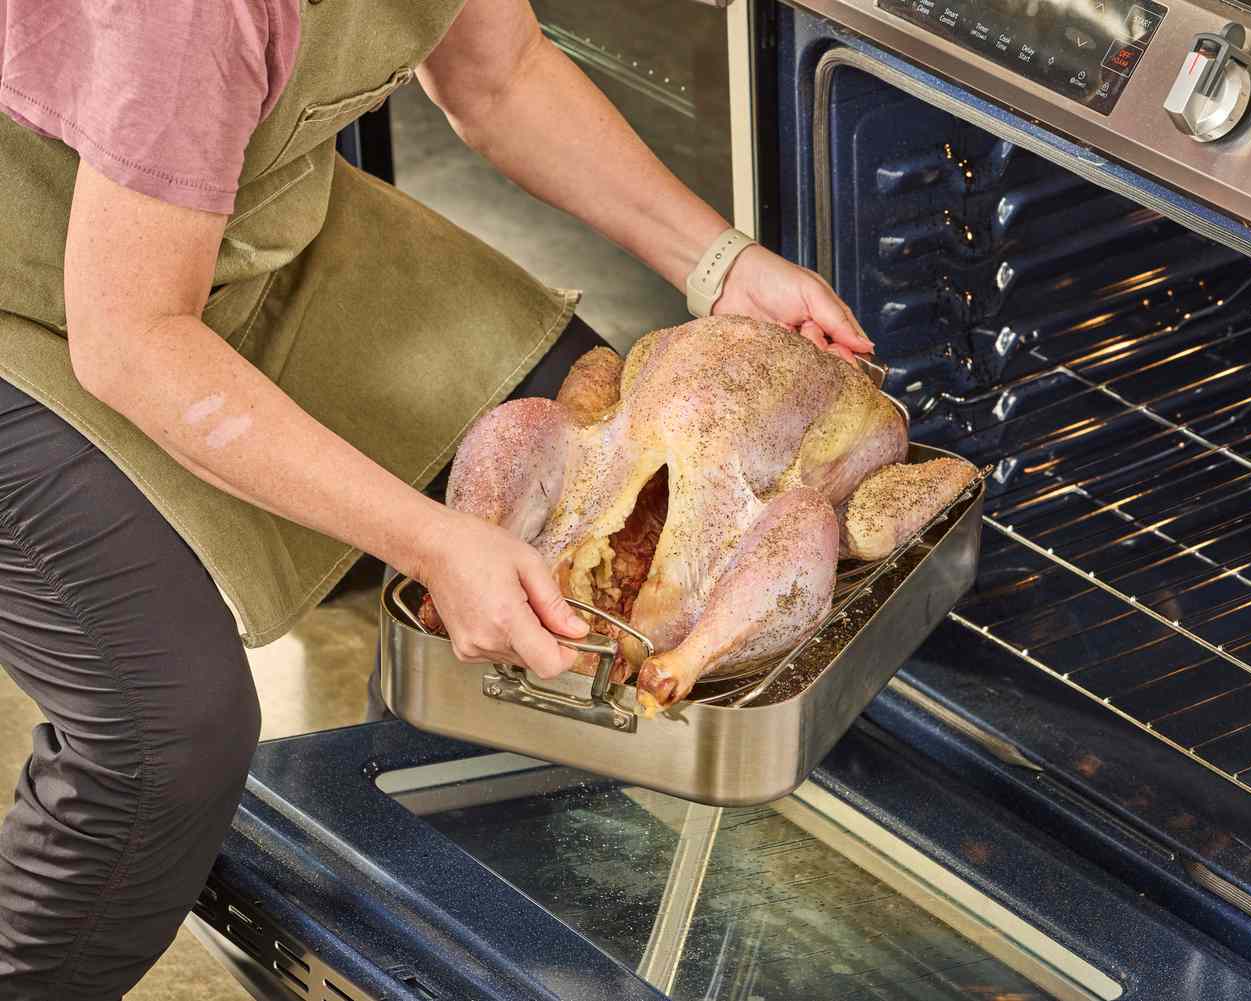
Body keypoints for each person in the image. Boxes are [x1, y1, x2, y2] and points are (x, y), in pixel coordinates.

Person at [0, 0, 870, 996]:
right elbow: (134, 340)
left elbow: (499, 75)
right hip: (37, 292)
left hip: (234, 222)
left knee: (574, 465)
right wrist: (431, 539)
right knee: (165, 736)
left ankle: (448, 910)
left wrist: (720, 263)